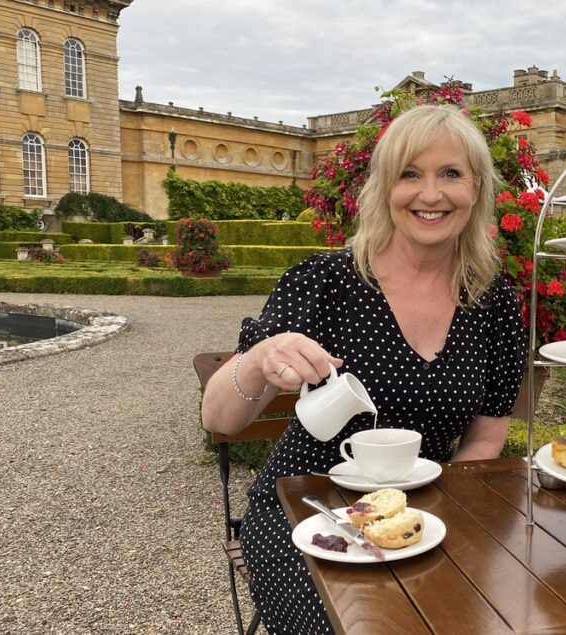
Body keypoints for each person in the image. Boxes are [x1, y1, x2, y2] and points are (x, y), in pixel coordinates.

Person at [200, 104, 526, 635]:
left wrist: (441, 528)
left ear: (477, 190)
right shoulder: (325, 281)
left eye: (451, 174)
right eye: (410, 174)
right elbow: (221, 418)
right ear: (383, 189)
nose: (430, 194)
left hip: (422, 514)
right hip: (303, 509)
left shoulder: (491, 300)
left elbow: (485, 442)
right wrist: (261, 358)